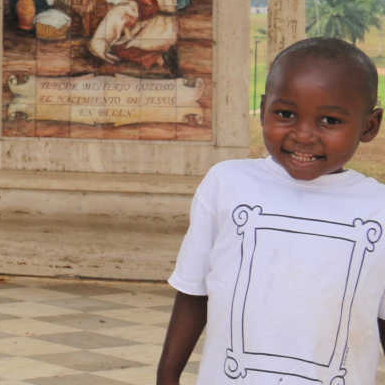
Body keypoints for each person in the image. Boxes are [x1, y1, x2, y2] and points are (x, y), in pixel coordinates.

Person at [157, 38, 385, 385]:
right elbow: (193, 292)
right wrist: (167, 376)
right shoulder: (228, 184)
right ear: (264, 109)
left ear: (369, 126)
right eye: (286, 114)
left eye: (329, 120)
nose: (303, 135)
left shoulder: (377, 207)